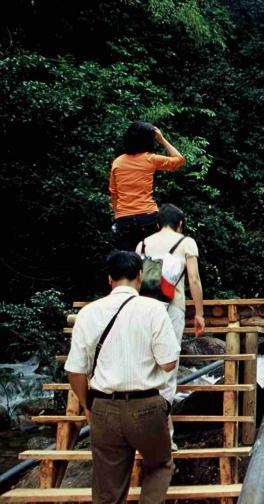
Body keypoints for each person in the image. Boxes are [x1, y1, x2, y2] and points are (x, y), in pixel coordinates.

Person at [65, 251, 180, 504]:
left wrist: (87, 405)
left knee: (107, 488)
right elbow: (169, 363)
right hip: (146, 407)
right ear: (140, 277)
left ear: (109, 279)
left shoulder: (88, 312)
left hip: (103, 408)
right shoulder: (154, 309)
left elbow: (75, 370)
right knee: (159, 465)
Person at [138, 204, 205, 449]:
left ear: (158, 224)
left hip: (144, 309)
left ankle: (140, 432)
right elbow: (194, 279)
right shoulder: (187, 243)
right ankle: (164, 436)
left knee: (146, 363)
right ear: (180, 224)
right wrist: (199, 313)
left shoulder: (142, 244)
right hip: (172, 307)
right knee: (168, 367)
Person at [110, 121, 185, 251]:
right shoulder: (150, 159)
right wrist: (162, 140)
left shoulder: (118, 162)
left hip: (124, 218)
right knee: (151, 261)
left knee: (126, 264)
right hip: (148, 216)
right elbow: (179, 160)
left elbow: (114, 192)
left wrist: (120, 214)